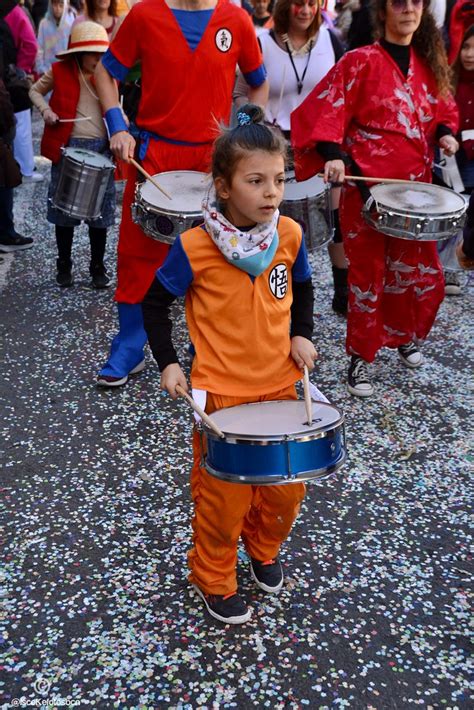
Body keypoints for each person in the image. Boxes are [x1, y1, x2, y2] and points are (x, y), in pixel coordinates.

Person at [142, 105, 316, 624]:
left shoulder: (288, 234)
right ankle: (214, 576)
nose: (271, 192)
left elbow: (302, 286)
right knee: (224, 501)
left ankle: (262, 550)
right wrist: (169, 364)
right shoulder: (194, 248)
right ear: (223, 186)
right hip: (223, 395)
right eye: (256, 180)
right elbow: (153, 303)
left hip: (283, 386)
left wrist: (302, 334)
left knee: (288, 490)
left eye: (279, 180)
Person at [93, 0, 268, 387]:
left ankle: (207, 342)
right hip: (155, 153)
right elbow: (105, 74)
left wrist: (243, 129)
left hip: (215, 157)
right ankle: (129, 344)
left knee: (220, 251)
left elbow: (259, 81)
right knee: (138, 251)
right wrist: (116, 124)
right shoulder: (144, 14)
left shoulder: (236, 19)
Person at [291, 0, 459, 397]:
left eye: (416, 2)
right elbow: (328, 110)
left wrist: (446, 132)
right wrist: (332, 154)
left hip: (416, 194)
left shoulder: (428, 64)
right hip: (366, 188)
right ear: (383, 12)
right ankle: (361, 356)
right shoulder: (359, 61)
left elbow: (442, 111)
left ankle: (403, 337)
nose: (409, 10)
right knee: (368, 275)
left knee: (417, 271)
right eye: (399, 3)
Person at [235, 0, 348, 314]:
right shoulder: (262, 42)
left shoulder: (331, 39)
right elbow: (241, 91)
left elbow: (341, 94)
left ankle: (343, 292)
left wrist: (336, 149)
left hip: (320, 144)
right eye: (298, 2)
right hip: (273, 144)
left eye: (312, 3)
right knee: (272, 224)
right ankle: (272, 295)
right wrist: (251, 128)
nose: (306, 10)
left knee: (335, 219)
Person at [29, 21, 115, 287]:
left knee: (101, 214)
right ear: (79, 53)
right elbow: (34, 91)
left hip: (102, 148)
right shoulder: (59, 70)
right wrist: (46, 111)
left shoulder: (111, 73)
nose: (98, 59)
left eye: (102, 53)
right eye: (93, 54)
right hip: (68, 148)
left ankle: (97, 268)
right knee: (63, 212)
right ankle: (64, 265)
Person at [4, 0, 43, 184]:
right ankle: (25, 169)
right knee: (21, 125)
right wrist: (22, 69)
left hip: (8, 76)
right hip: (13, 79)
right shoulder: (16, 12)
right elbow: (30, 44)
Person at [36, 0, 76, 76]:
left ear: (65, 6)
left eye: (61, 5)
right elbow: (39, 48)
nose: (57, 8)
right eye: (55, 5)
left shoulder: (71, 23)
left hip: (66, 70)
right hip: (47, 70)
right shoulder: (44, 24)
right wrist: (41, 68)